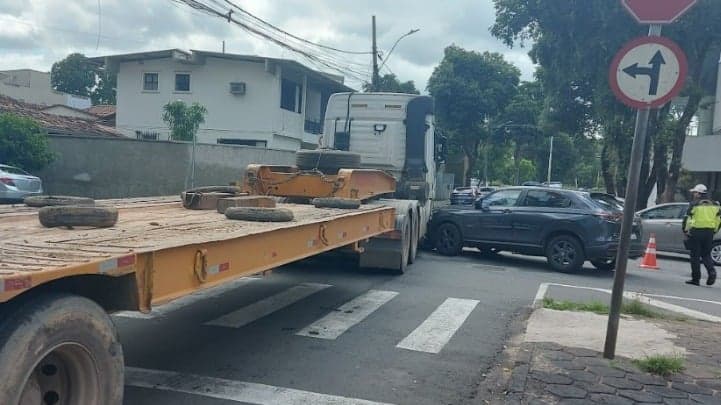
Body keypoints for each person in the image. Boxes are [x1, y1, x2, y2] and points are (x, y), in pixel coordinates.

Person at [682, 184, 721, 286]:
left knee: (695, 256)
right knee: (706, 254)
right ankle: (712, 272)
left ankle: (696, 279)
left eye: (695, 192)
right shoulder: (715, 205)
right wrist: (714, 231)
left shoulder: (694, 204)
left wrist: (686, 230)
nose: (694, 194)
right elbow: (718, 220)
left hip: (696, 232)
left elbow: (688, 219)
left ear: (699, 193)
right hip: (709, 232)